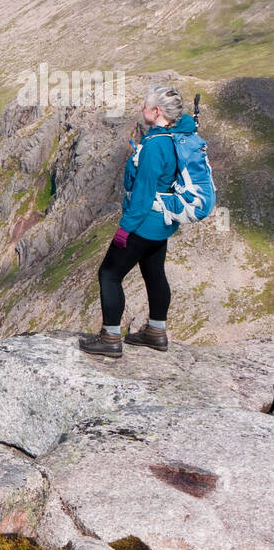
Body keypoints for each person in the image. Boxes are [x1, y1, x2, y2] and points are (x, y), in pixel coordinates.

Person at [79, 85, 195, 358]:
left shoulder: (155, 146)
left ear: (156, 112)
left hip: (144, 222)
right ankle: (156, 332)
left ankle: (110, 338)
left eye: (145, 105)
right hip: (162, 222)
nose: (141, 109)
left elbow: (143, 194)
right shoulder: (174, 136)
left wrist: (125, 229)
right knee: (154, 273)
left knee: (109, 274)